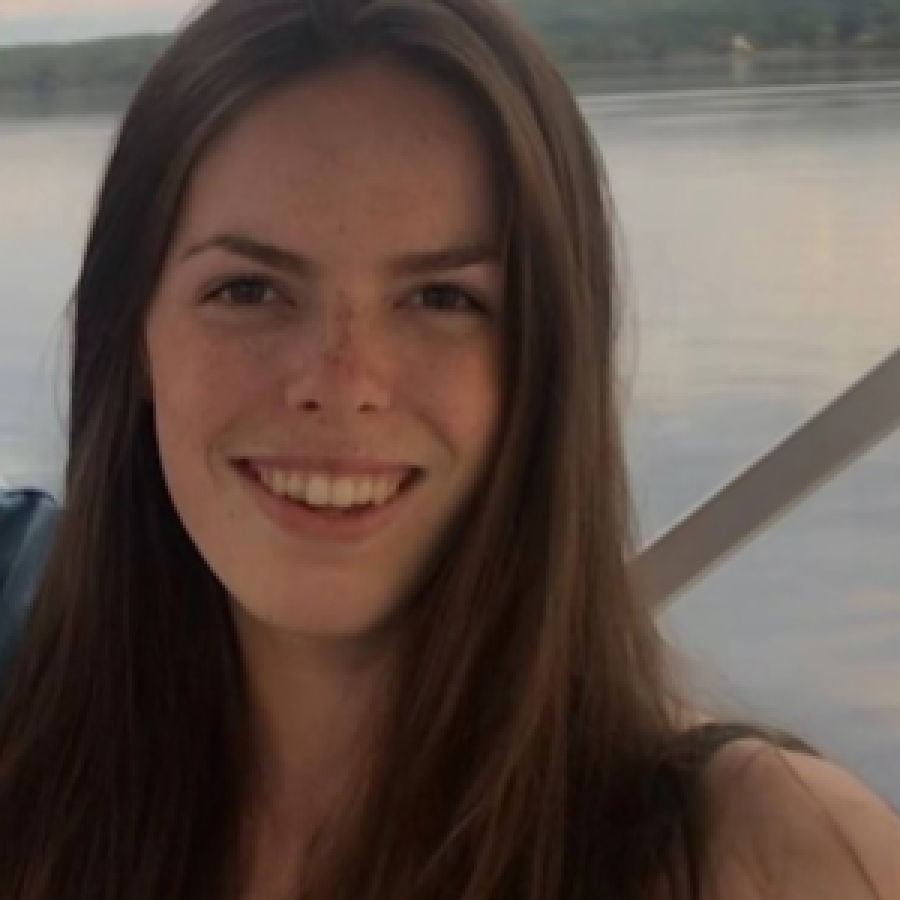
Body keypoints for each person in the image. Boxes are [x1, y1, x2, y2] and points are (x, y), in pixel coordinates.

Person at [0, 0, 897, 898]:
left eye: (442, 299)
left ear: (546, 362)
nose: (343, 382)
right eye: (248, 290)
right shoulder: (36, 779)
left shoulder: (769, 863)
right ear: (133, 336)